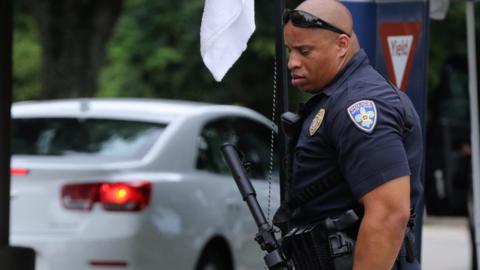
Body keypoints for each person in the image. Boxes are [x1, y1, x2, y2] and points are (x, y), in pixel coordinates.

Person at [279, 0, 424, 269]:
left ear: (342, 46)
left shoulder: (361, 106)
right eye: (290, 51)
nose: (292, 62)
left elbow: (390, 213)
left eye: (304, 51)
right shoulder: (337, 98)